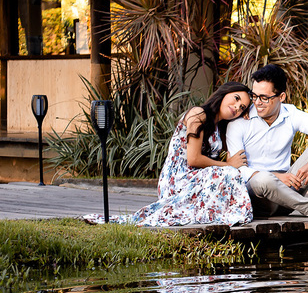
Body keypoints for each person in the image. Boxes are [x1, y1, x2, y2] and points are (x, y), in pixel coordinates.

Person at [85, 82, 254, 226]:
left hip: (197, 177)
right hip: (178, 178)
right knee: (229, 172)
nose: (237, 107)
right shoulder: (199, 114)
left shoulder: (220, 127)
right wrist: (228, 164)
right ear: (225, 92)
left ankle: (220, 214)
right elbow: (193, 159)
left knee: (230, 174)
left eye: (242, 108)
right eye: (236, 98)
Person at [226, 64, 308, 219]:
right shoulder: (239, 123)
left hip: (289, 190)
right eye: (254, 96)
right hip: (259, 198)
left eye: (264, 98)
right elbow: (238, 170)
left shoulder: (290, 114)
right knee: (262, 179)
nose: (257, 103)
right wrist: (276, 176)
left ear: (281, 97)